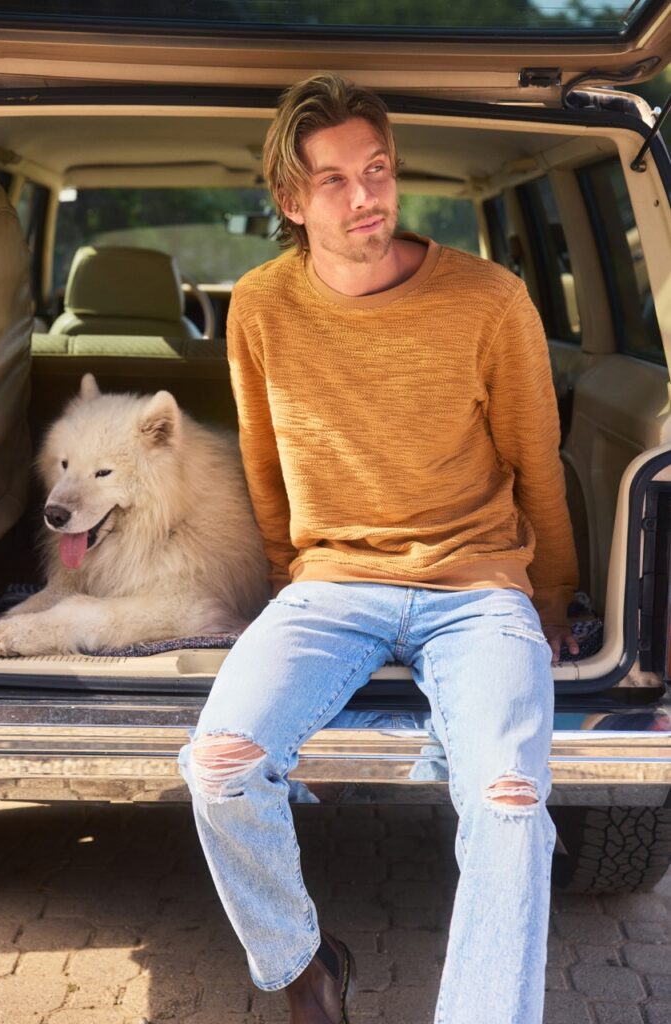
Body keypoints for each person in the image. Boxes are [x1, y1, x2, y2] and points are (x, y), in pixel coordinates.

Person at [179, 72, 580, 1024]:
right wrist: (287, 584)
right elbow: (264, 465)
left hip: (478, 587)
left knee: (512, 803)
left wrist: (554, 598)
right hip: (328, 586)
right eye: (334, 180)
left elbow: (537, 460)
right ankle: (303, 970)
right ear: (288, 199)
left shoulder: (490, 299)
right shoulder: (259, 305)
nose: (366, 197)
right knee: (220, 764)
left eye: (379, 170)